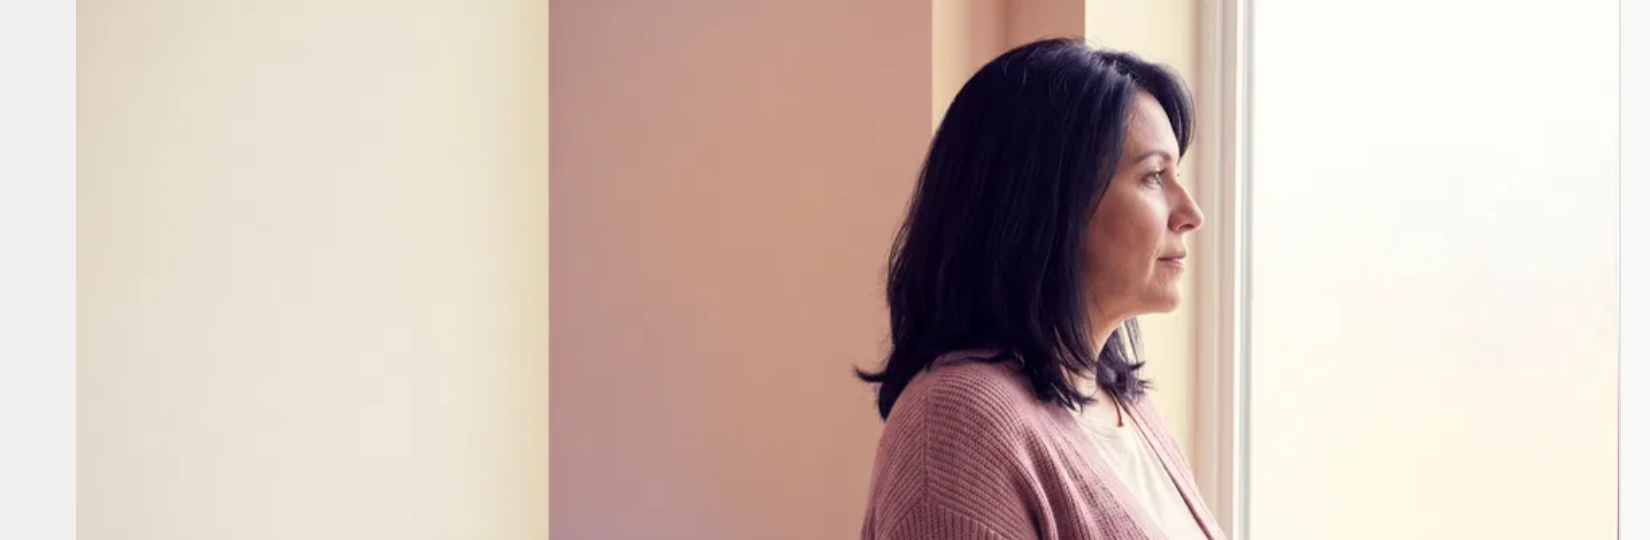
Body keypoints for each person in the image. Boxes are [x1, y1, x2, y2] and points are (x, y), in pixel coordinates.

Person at [855, 38, 1224, 540]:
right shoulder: (956, 424)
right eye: (1153, 176)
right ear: (1047, 203)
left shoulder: (1122, 404)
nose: (1191, 214)